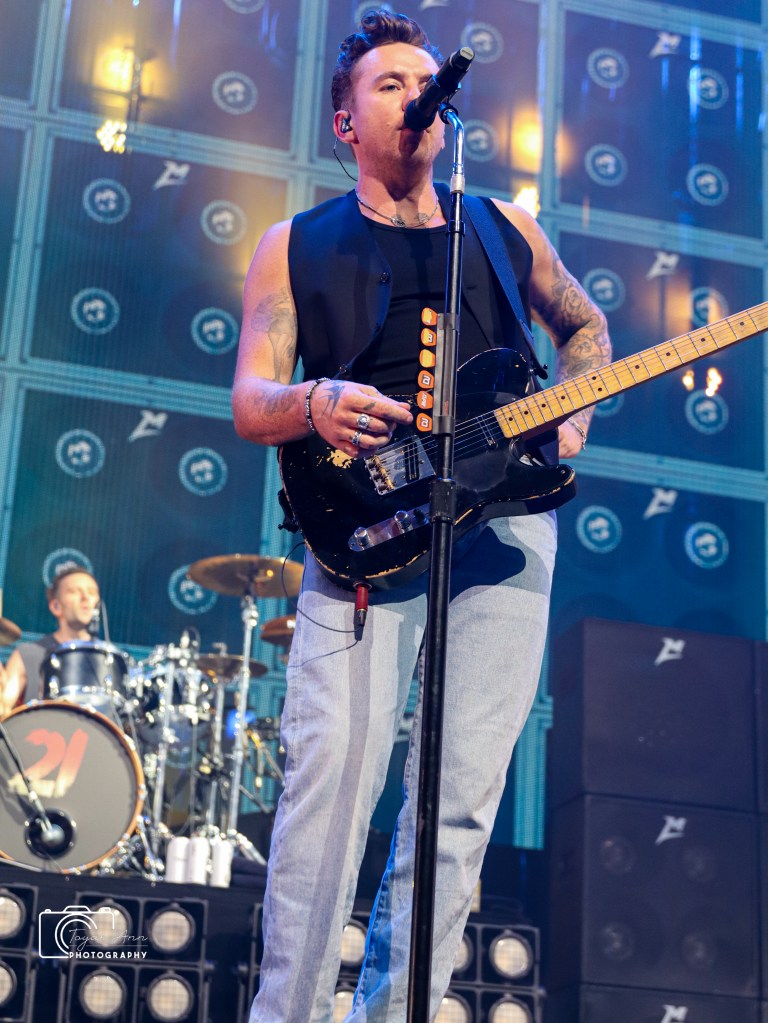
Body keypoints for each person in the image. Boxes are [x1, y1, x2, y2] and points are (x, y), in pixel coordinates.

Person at [232, 10, 611, 1022]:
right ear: (346, 122)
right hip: (362, 526)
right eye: (390, 84)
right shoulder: (293, 244)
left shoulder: (503, 226)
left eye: (424, 82)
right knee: (329, 793)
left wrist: (575, 406)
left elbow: (584, 326)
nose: (417, 95)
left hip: (508, 524)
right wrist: (313, 401)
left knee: (459, 802)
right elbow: (251, 400)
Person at [0, 566, 101, 716]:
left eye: (92, 592)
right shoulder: (28, 654)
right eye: (74, 591)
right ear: (56, 606)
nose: (85, 597)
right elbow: (4, 709)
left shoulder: (110, 660)